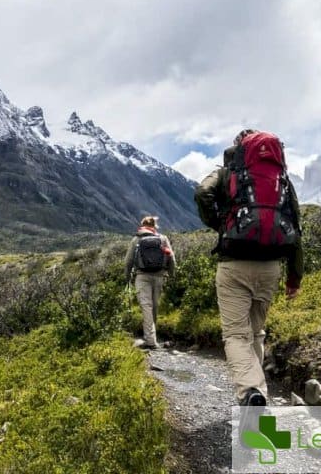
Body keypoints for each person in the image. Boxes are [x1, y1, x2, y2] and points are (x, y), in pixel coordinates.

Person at [194, 129, 304, 406]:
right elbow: (295, 227)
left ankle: (250, 391)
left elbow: (202, 192)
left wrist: (221, 224)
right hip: (271, 267)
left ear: (239, 149)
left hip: (234, 265)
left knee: (234, 335)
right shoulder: (281, 180)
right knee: (256, 332)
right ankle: (259, 394)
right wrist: (295, 277)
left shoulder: (228, 173)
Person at [124, 216, 176, 349]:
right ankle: (152, 337)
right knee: (154, 306)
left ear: (142, 225)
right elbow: (171, 258)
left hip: (142, 277)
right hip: (159, 276)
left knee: (146, 306)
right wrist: (171, 275)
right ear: (155, 226)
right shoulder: (162, 239)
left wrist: (127, 279)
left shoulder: (136, 239)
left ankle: (150, 341)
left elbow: (128, 261)